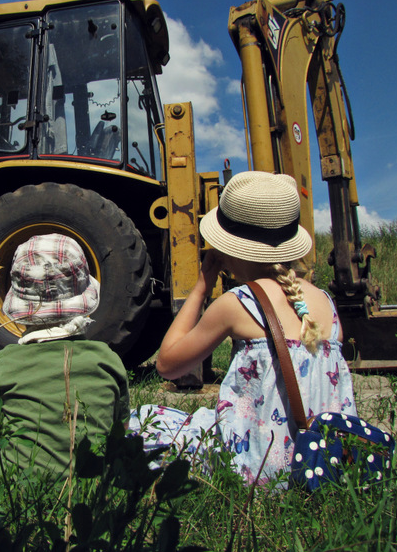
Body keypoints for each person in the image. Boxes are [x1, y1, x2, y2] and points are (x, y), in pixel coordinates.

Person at [131, 171, 357, 485]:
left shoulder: (238, 303)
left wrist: (201, 288)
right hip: (321, 463)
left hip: (257, 467)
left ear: (229, 249)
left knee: (141, 422)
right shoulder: (326, 304)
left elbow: (168, 365)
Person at [0, 233, 130, 490]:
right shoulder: (108, 359)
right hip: (92, 484)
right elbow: (120, 430)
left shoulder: (6, 363)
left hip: (17, 484)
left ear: (19, 302)